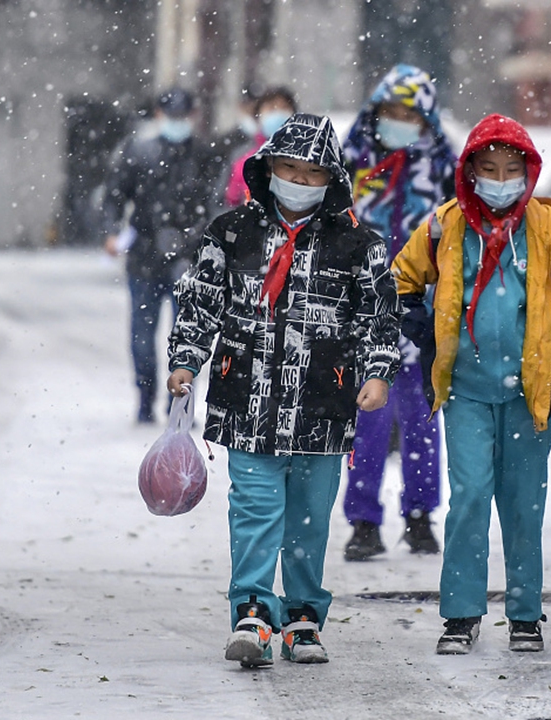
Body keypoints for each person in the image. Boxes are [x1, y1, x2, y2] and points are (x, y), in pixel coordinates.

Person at [166, 113, 401, 667]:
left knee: (309, 518)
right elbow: (201, 305)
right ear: (267, 168)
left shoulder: (359, 245)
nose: (297, 181)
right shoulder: (231, 232)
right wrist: (186, 362)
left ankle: (301, 616)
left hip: (325, 404)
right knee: (253, 508)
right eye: (288, 169)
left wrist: (377, 371)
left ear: (332, 181)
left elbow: (379, 317)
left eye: (311, 174)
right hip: (245, 398)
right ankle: (251, 609)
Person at [392, 114, 551, 655]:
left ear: (529, 173)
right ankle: (461, 613)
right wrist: (425, 331)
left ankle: (525, 614)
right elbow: (401, 282)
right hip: (465, 389)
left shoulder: (548, 229)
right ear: (470, 172)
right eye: (489, 168)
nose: (501, 178)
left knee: (525, 503)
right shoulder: (443, 226)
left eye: (512, 169)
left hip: (530, 392)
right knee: (470, 496)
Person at [340, 63, 457, 561]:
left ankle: (420, 516)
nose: (398, 120)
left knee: (422, 420)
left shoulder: (446, 168)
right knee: (365, 419)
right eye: (390, 110)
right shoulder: (351, 162)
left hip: (422, 314)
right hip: (360, 310)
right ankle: (363, 521)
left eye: (409, 112)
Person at [102, 87, 216, 423]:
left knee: (188, 337)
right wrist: (111, 231)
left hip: (190, 257)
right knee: (142, 335)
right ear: (158, 115)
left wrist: (202, 241)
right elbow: (114, 195)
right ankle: (145, 395)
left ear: (193, 116)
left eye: (183, 116)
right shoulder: (138, 152)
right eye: (171, 116)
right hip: (145, 256)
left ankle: (178, 401)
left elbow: (214, 204)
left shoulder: (204, 154)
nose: (177, 123)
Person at [222, 86, 298, 207]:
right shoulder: (241, 159)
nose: (277, 114)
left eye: (283, 108)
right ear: (258, 117)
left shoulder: (310, 158)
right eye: (271, 109)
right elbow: (223, 204)